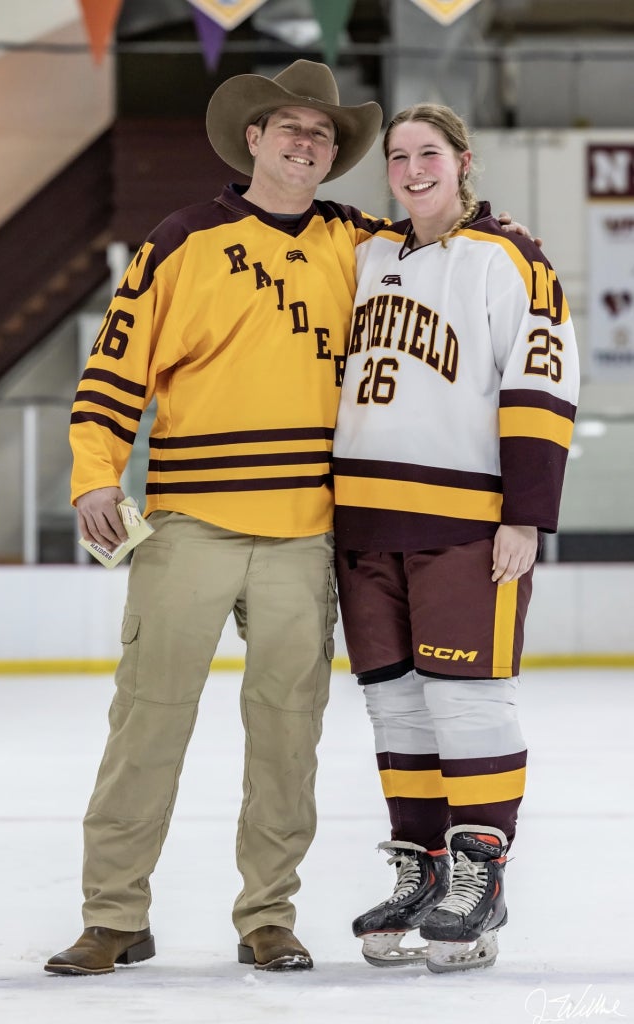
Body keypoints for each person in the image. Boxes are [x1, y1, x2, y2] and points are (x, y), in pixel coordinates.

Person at [44, 59, 386, 977]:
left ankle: (267, 916)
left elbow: (445, 252)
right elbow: (114, 372)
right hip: (191, 521)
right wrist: (93, 476)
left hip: (307, 529)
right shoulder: (181, 238)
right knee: (147, 723)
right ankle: (114, 914)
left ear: (331, 153)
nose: (305, 144)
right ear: (254, 139)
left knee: (287, 735)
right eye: (290, 129)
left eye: (321, 134)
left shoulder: (363, 242)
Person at [332, 103, 579, 973]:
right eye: (396, 156)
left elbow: (542, 381)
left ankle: (479, 871)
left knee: (465, 696)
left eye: (427, 153)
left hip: (463, 520)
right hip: (361, 523)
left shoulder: (509, 256)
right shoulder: (364, 255)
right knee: (393, 700)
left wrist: (525, 512)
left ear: (462, 161)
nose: (410, 168)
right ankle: (421, 865)